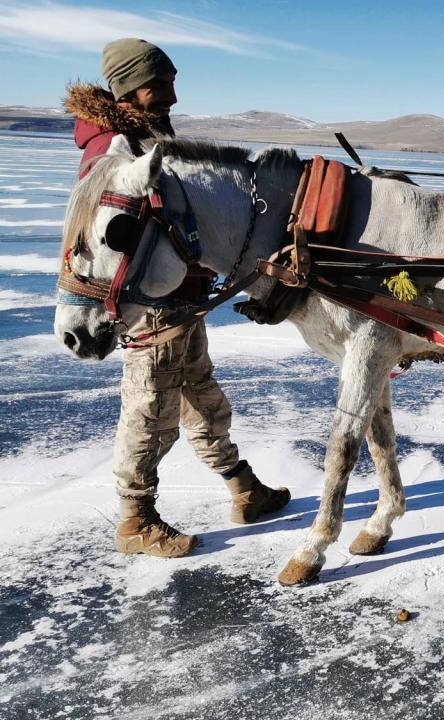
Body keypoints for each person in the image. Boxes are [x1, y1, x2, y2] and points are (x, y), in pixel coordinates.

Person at [63, 39, 289, 557]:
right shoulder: (113, 150)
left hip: (180, 295)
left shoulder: (142, 135)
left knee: (201, 395)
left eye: (170, 82)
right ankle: (134, 520)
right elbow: (115, 237)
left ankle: (244, 488)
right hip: (151, 305)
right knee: (148, 410)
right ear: (126, 88)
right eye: (158, 85)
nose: (171, 96)